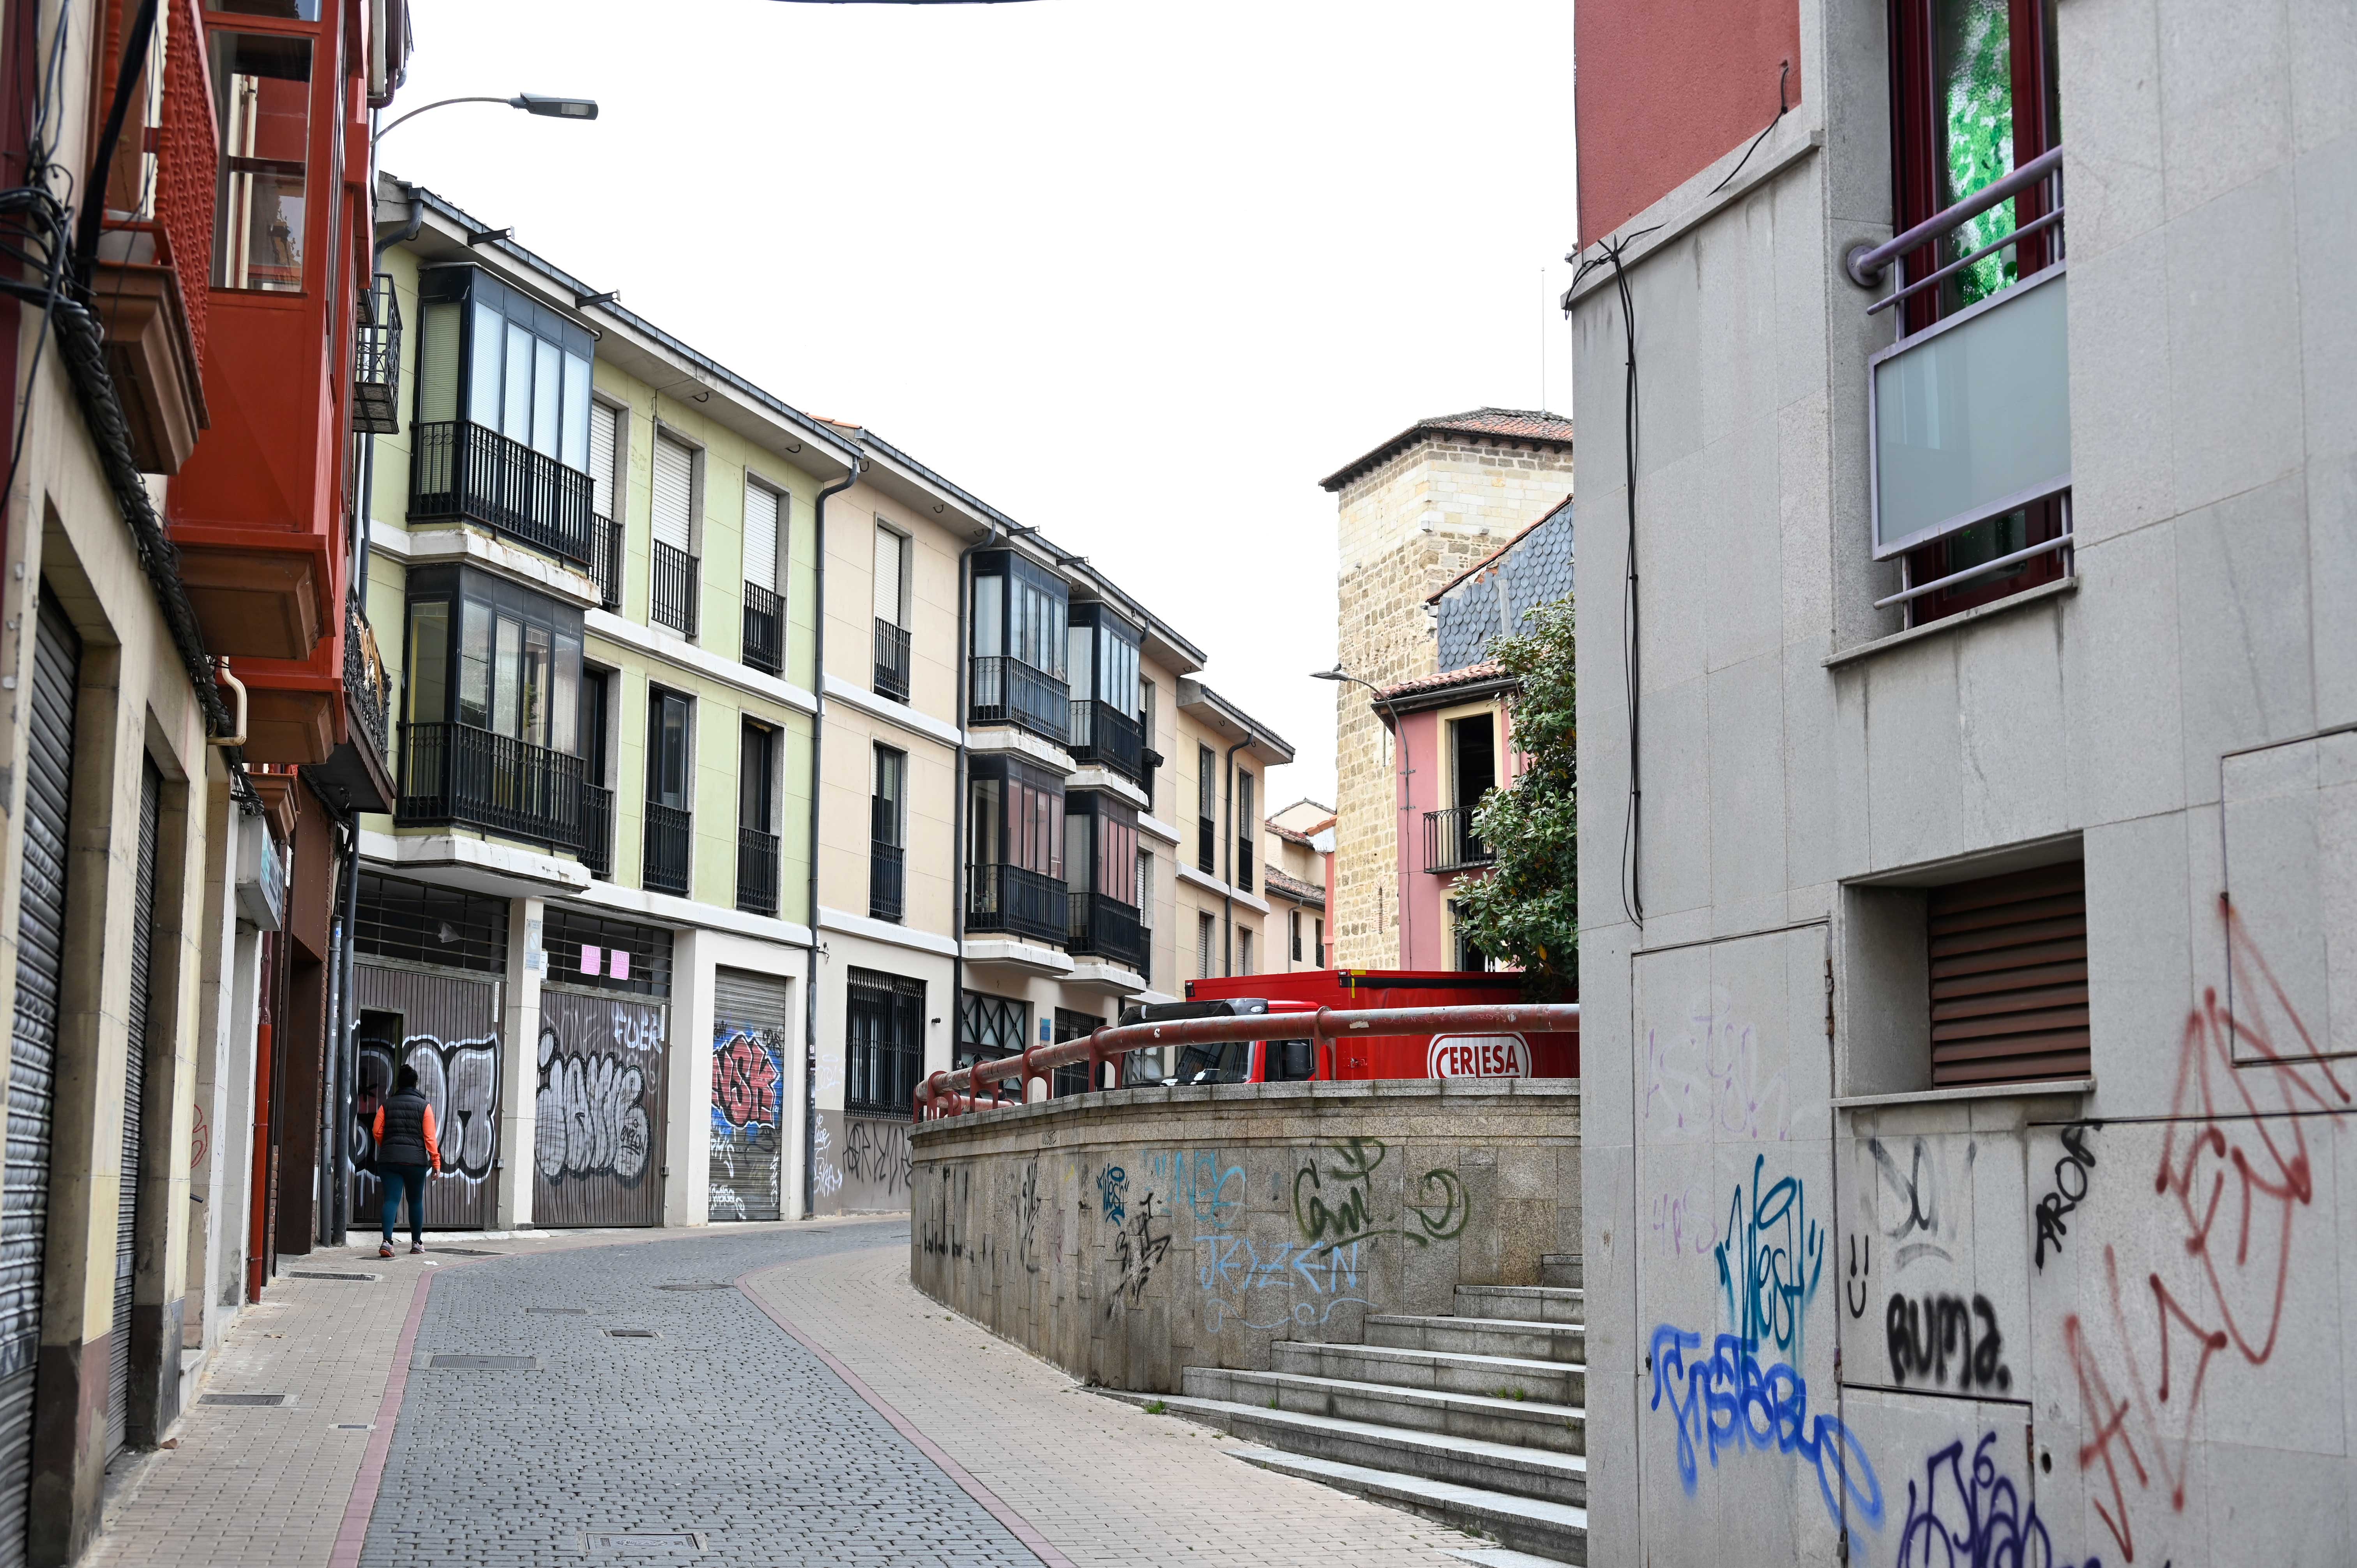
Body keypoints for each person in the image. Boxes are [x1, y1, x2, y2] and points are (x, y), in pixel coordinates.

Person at [371, 1065, 440, 1257]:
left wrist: (388, 1146)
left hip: (390, 1160)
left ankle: (387, 1242)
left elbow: (377, 1131)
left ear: (398, 1084)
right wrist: (436, 1162)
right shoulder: (424, 1106)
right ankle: (417, 1244)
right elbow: (430, 1138)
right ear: (416, 1084)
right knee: (415, 1201)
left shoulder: (387, 1105)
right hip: (415, 1162)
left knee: (391, 1199)